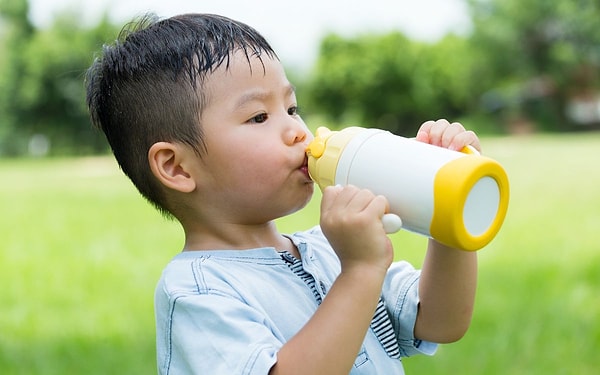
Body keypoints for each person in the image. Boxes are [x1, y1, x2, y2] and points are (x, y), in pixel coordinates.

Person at [86, 13, 480, 375]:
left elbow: (441, 321)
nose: (297, 131)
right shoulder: (196, 291)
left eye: (292, 109)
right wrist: (359, 272)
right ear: (177, 167)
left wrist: (446, 207)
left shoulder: (329, 249)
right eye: (259, 116)